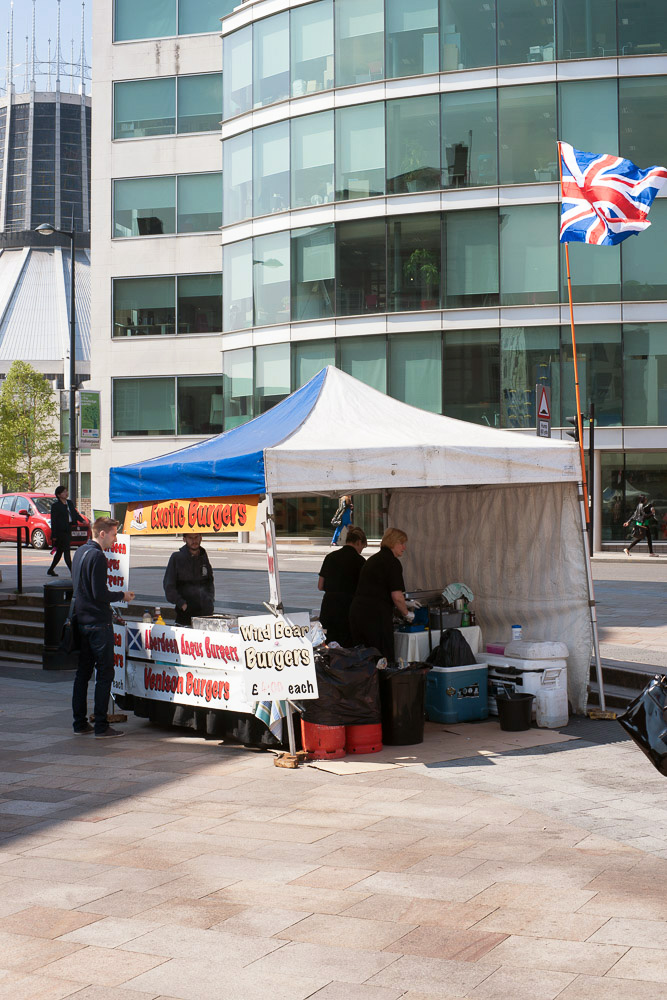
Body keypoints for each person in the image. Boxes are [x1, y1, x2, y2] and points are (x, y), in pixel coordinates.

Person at [71, 517, 135, 737]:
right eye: (114, 534)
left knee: (82, 673)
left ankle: (79, 723)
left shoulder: (80, 552)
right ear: (102, 534)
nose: (115, 539)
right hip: (98, 623)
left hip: (82, 620)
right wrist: (122, 595)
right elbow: (100, 594)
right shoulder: (98, 556)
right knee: (104, 673)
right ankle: (101, 724)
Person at [349, 527, 412, 660]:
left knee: (363, 658)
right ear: (393, 543)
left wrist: (404, 602)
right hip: (375, 616)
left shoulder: (373, 559)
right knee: (381, 658)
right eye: (401, 543)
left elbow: (376, 588)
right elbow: (397, 596)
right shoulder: (392, 562)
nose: (404, 547)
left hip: (357, 612)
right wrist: (407, 613)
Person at [318, 526, 367, 646]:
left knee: (329, 644)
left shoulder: (330, 557)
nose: (361, 550)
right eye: (362, 547)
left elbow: (320, 585)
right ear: (358, 542)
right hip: (348, 608)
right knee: (347, 646)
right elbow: (363, 589)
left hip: (329, 606)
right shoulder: (360, 561)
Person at [163, 533, 215, 627]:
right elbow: (168, 586)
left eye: (196, 537)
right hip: (185, 617)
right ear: (184, 539)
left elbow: (210, 581)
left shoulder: (203, 556)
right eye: (190, 538)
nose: (194, 541)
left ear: (201, 537)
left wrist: (210, 600)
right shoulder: (177, 558)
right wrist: (182, 604)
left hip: (205, 615)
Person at [48, 485, 85, 576]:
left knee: (60, 551)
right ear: (59, 495)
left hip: (68, 529)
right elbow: (54, 520)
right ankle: (73, 572)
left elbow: (75, 514)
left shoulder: (69, 503)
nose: (66, 493)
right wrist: (54, 535)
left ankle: (51, 569)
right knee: (66, 551)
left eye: (66, 491)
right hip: (60, 531)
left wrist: (82, 520)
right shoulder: (56, 506)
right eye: (64, 492)